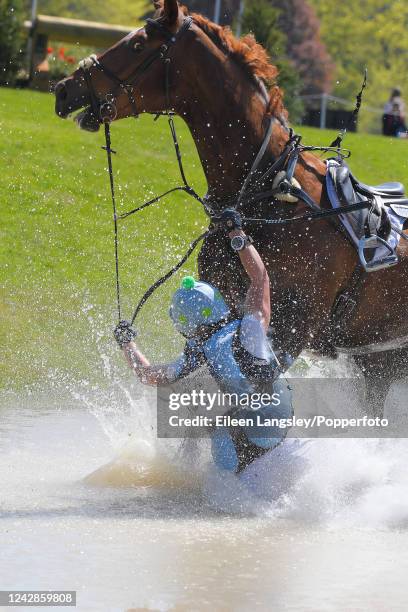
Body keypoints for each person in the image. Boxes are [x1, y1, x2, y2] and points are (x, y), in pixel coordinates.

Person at [114, 209, 293, 474]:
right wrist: (237, 234)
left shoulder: (192, 358)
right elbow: (260, 277)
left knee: (214, 428)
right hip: (281, 426)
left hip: (243, 443)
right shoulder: (250, 328)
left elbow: (147, 375)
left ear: (184, 324)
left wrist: (127, 344)